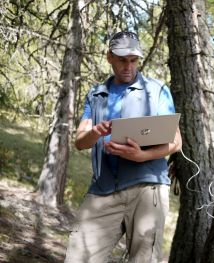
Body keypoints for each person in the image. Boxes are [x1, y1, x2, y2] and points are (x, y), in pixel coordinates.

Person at [64, 31, 182, 263]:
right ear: (109, 57)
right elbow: (80, 142)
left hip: (147, 188)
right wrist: (96, 132)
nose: (129, 66)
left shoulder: (157, 90)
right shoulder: (96, 94)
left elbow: (176, 142)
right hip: (102, 188)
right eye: (122, 60)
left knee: (144, 259)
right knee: (77, 257)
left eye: (134, 60)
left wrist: (142, 155)